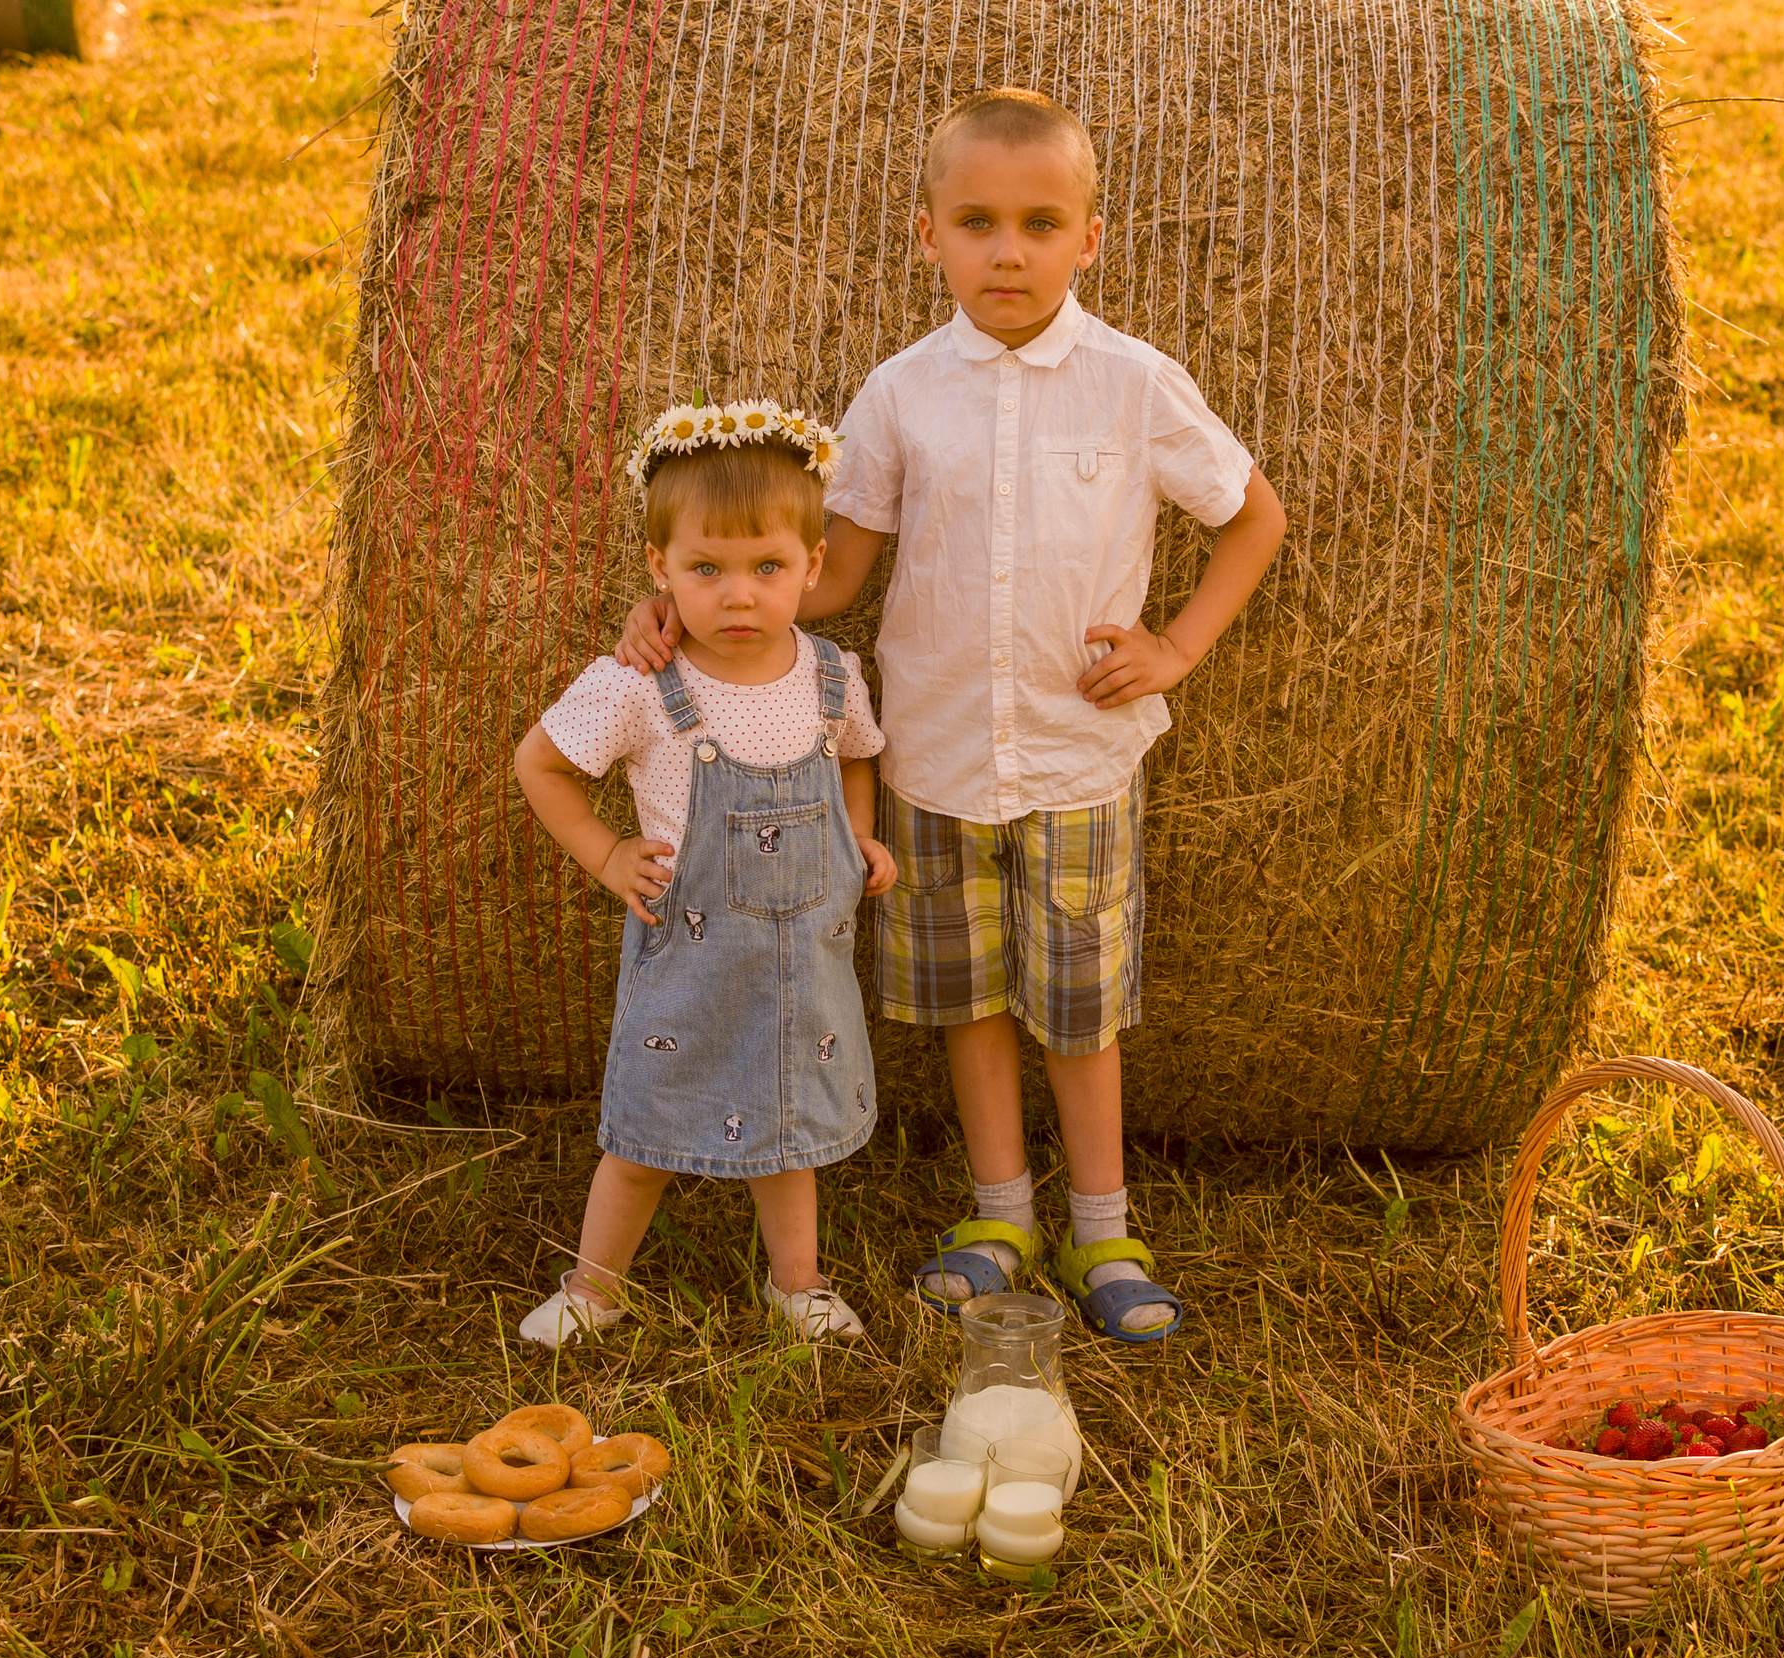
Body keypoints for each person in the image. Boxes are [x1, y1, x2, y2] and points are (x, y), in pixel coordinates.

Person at [617, 90, 1287, 1343]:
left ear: (1090, 238)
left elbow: (1253, 516)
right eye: (977, 223)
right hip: (928, 755)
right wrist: (688, 611)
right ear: (928, 235)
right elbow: (837, 574)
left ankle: (1104, 1228)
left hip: (1081, 758)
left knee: (1077, 1011)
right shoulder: (899, 395)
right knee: (968, 999)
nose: (1008, 252)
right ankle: (999, 1214)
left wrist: (1175, 647)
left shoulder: (1134, 386)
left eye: (1040, 224)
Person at [514, 399, 897, 1348]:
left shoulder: (832, 675)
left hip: (797, 967)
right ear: (661, 569)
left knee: (786, 1127)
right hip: (686, 961)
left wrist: (859, 841)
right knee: (640, 1136)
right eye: (706, 570)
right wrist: (606, 854)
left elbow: (857, 754)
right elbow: (542, 761)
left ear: (812, 567)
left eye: (767, 568)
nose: (737, 595)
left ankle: (796, 1283)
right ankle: (594, 1288)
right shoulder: (643, 683)